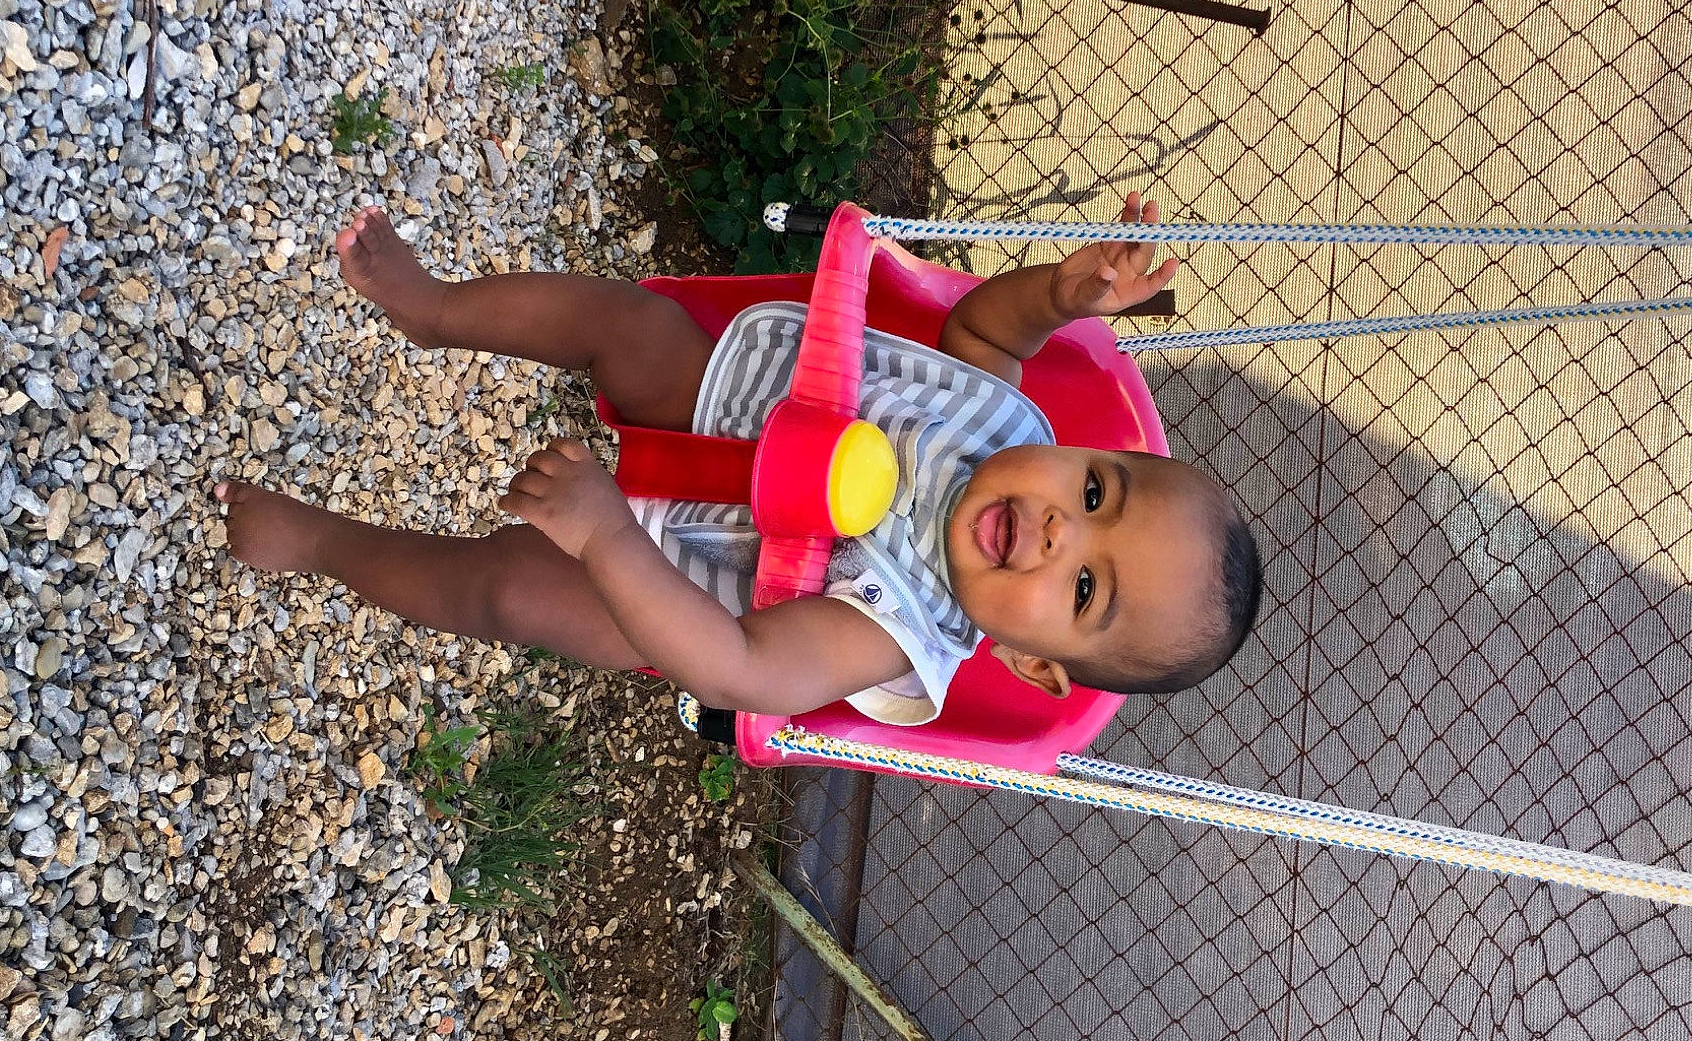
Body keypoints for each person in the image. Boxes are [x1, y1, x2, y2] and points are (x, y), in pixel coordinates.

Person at [216, 193, 1262, 723]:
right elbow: (983, 341)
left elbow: (740, 669)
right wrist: (1058, 300)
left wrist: (603, 535)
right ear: (1081, 454)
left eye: (1083, 585)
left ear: (1033, 664)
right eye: (1092, 491)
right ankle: (437, 310)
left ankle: (318, 541)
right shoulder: (1006, 434)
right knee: (626, 323)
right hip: (730, 405)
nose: (1053, 528)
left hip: (671, 571)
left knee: (508, 591)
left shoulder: (906, 636)